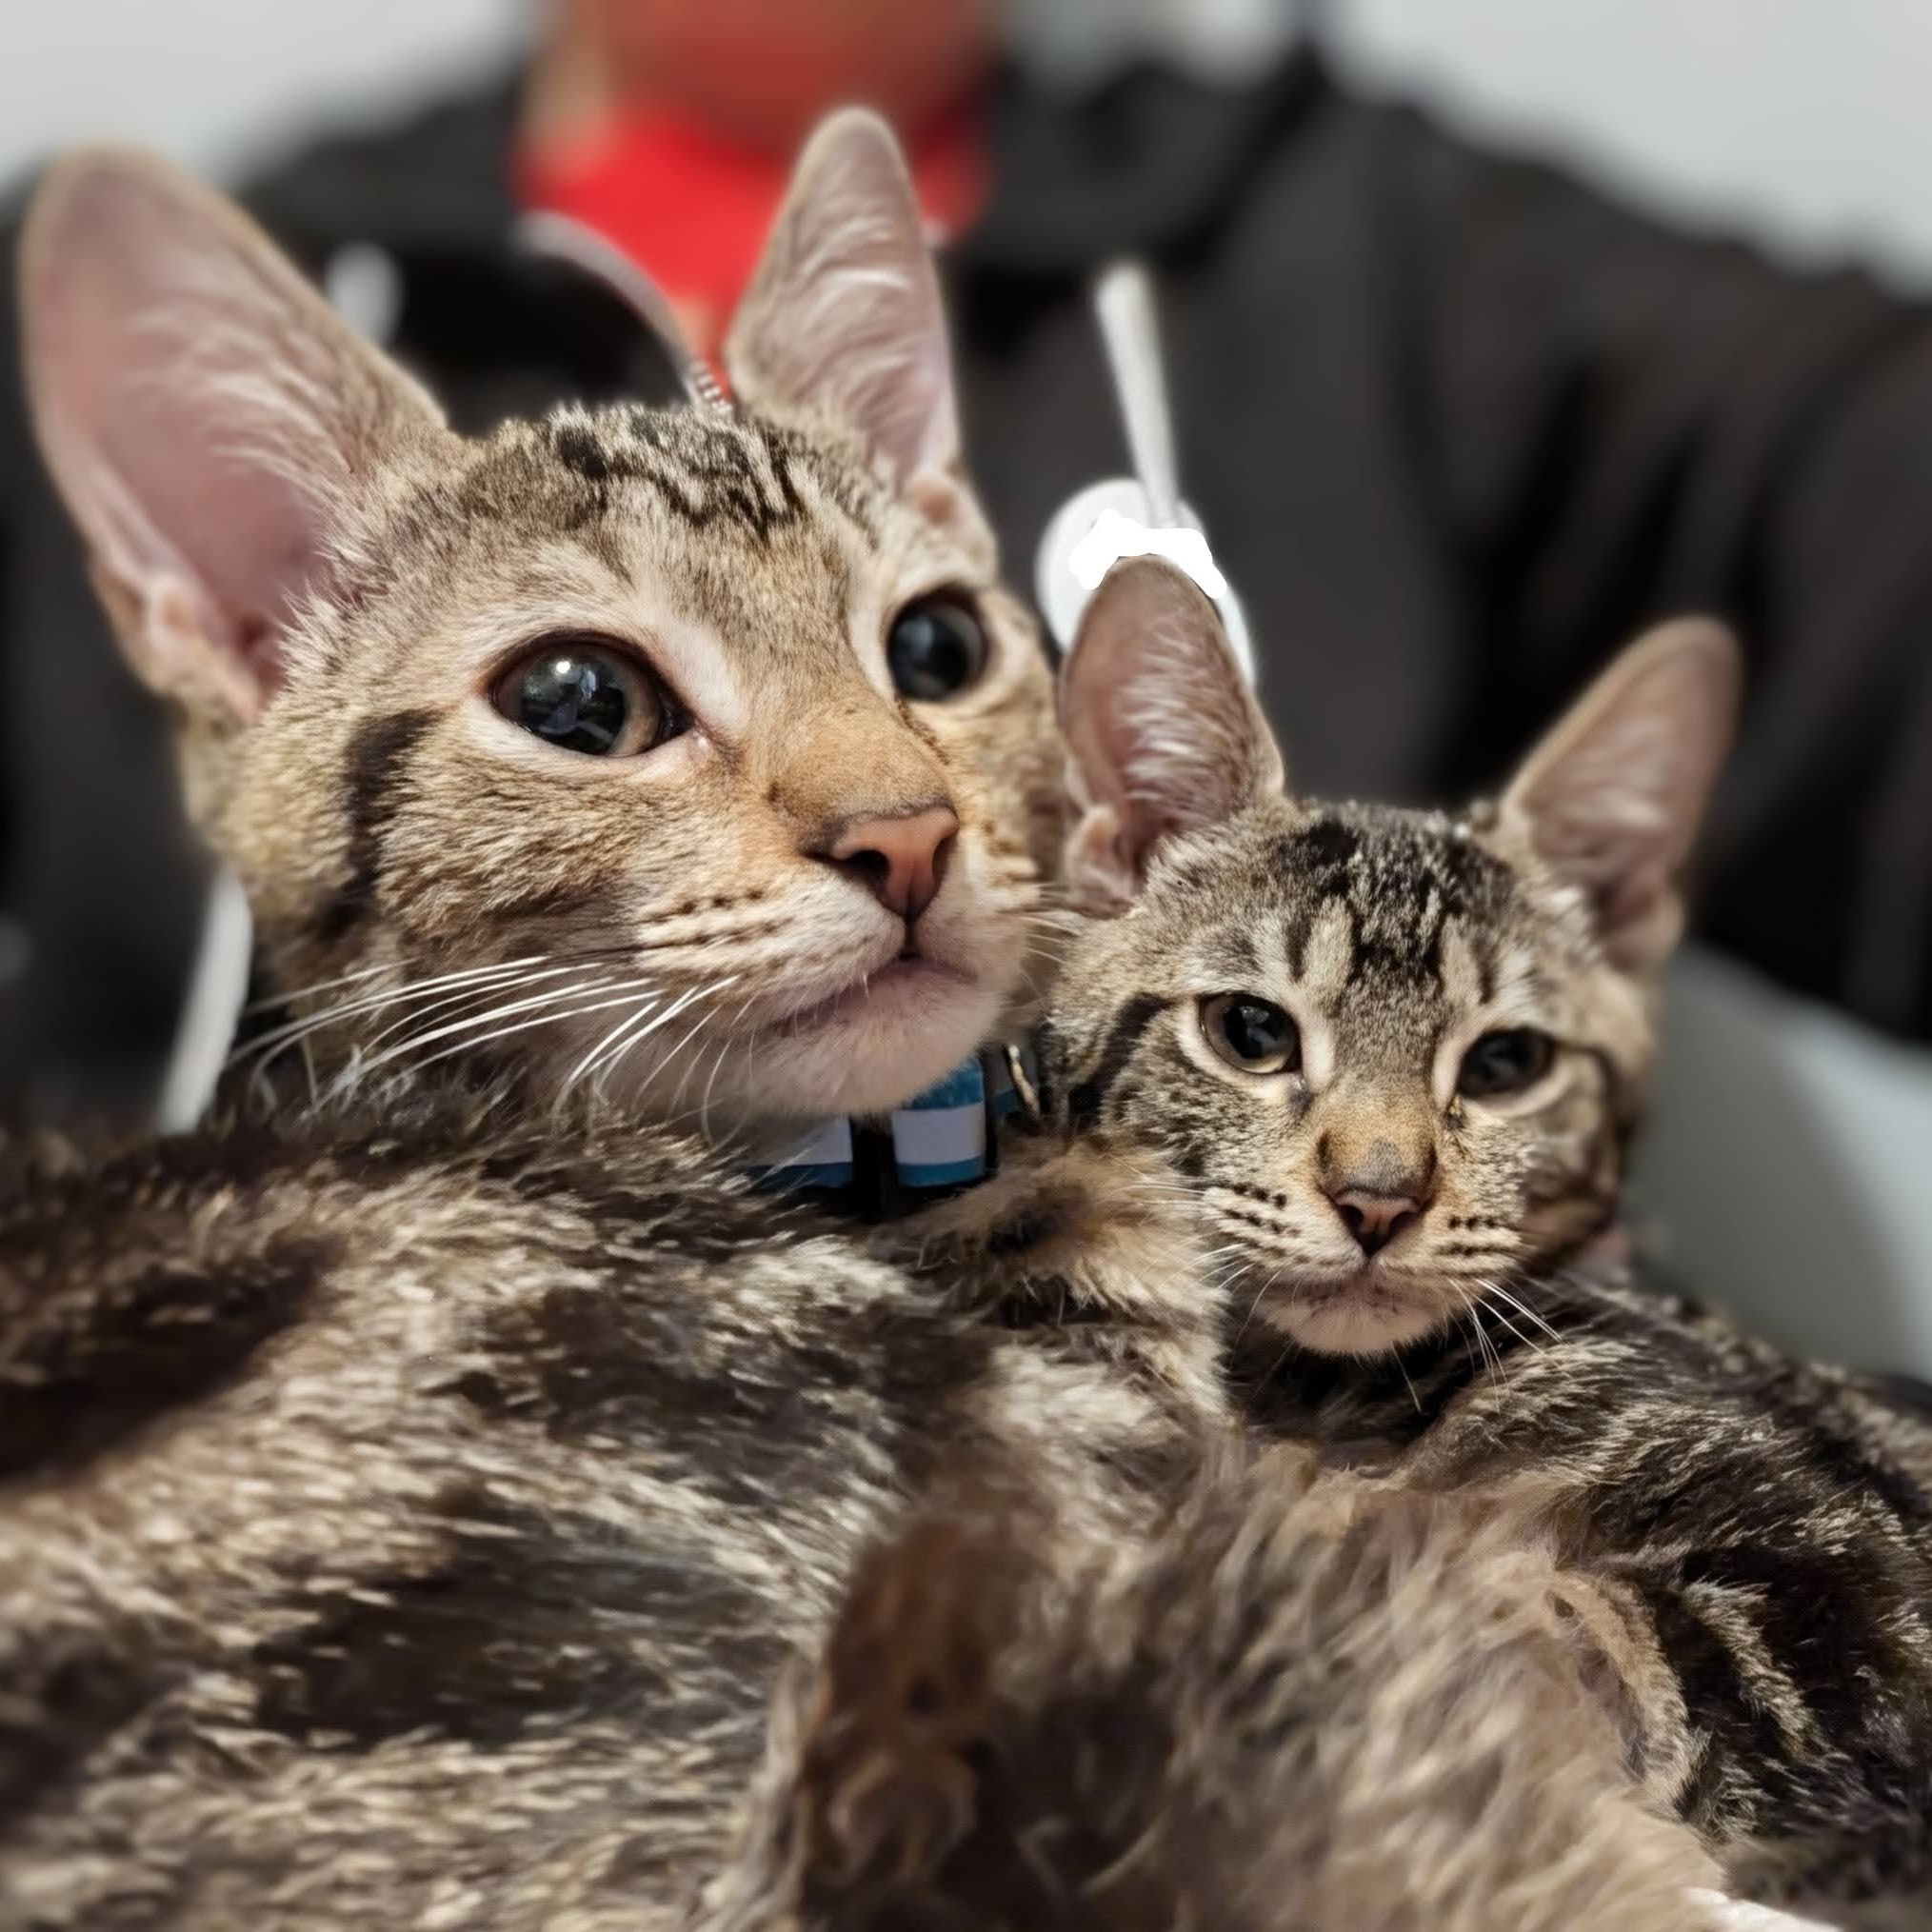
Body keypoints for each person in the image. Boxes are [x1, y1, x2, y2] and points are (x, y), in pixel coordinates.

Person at [5, 0, 1932, 1126]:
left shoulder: (1373, 248)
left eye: (930, 647)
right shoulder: (233, 292)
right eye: (585, 696)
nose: (892, 815)